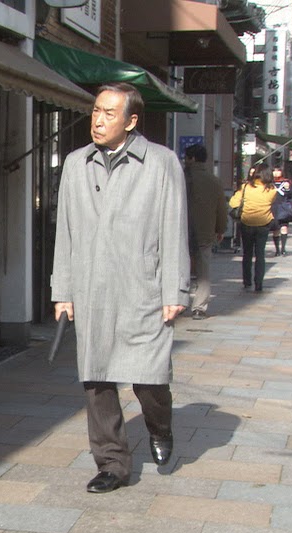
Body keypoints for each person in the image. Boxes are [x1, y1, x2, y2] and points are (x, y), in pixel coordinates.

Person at [51, 83, 189, 494]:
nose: (98, 120)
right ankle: (112, 463)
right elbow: (65, 231)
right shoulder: (76, 163)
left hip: (142, 287)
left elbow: (173, 227)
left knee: (150, 377)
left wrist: (175, 290)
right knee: (96, 379)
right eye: (96, 110)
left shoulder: (161, 162)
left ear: (131, 121)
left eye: (109, 113)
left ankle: (159, 426)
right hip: (92, 288)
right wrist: (63, 289)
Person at [183, 144, 227, 320]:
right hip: (205, 231)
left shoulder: (179, 177)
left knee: (179, 268)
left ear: (192, 158)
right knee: (203, 271)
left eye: (186, 157)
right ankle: (199, 308)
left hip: (180, 232)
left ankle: (179, 301)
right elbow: (221, 208)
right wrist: (220, 229)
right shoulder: (214, 181)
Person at [229, 164, 276, 292]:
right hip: (264, 223)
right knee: (260, 254)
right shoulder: (272, 190)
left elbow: (233, 202)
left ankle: (247, 281)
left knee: (247, 253)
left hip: (247, 223)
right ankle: (259, 283)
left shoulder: (246, 187)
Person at [270, 168, 292, 256]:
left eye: (278, 170)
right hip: (272, 208)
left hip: (283, 208)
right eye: (274, 171)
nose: (276, 173)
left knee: (284, 227)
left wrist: (287, 189)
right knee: (275, 229)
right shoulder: (269, 183)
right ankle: (277, 249)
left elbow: (291, 195)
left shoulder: (286, 182)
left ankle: (283, 248)